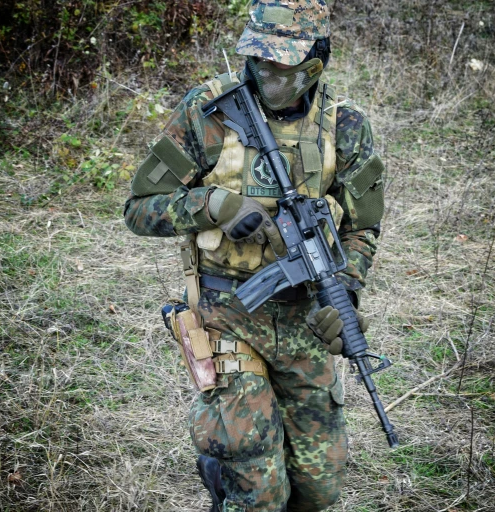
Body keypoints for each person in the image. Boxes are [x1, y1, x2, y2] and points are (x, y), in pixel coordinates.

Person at [123, 1, 386, 510]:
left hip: (306, 320)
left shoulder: (345, 126)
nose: (266, 73)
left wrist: (345, 290)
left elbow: (364, 227)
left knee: (318, 490)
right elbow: (138, 209)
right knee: (258, 488)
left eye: (281, 64)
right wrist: (212, 204)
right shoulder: (209, 111)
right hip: (227, 313)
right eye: (258, 59)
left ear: (315, 63)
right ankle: (230, 473)